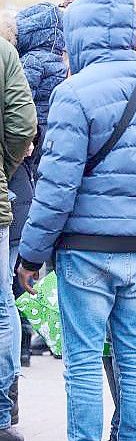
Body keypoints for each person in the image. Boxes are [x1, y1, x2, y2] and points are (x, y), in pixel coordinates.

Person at [16, 0, 136, 441]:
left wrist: (32, 255)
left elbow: (56, 186)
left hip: (85, 251)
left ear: (76, 33)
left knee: (83, 360)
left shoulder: (72, 92)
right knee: (135, 355)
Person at [10, 2, 68, 367]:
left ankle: (26, 338)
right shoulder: (65, 66)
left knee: (21, 260)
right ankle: (47, 332)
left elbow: (18, 112)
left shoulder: (28, 63)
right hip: (53, 152)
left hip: (30, 155)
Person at [0, 24, 37, 441]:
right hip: (7, 198)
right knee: (1, 304)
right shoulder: (5, 55)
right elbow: (22, 124)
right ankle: (1, 412)